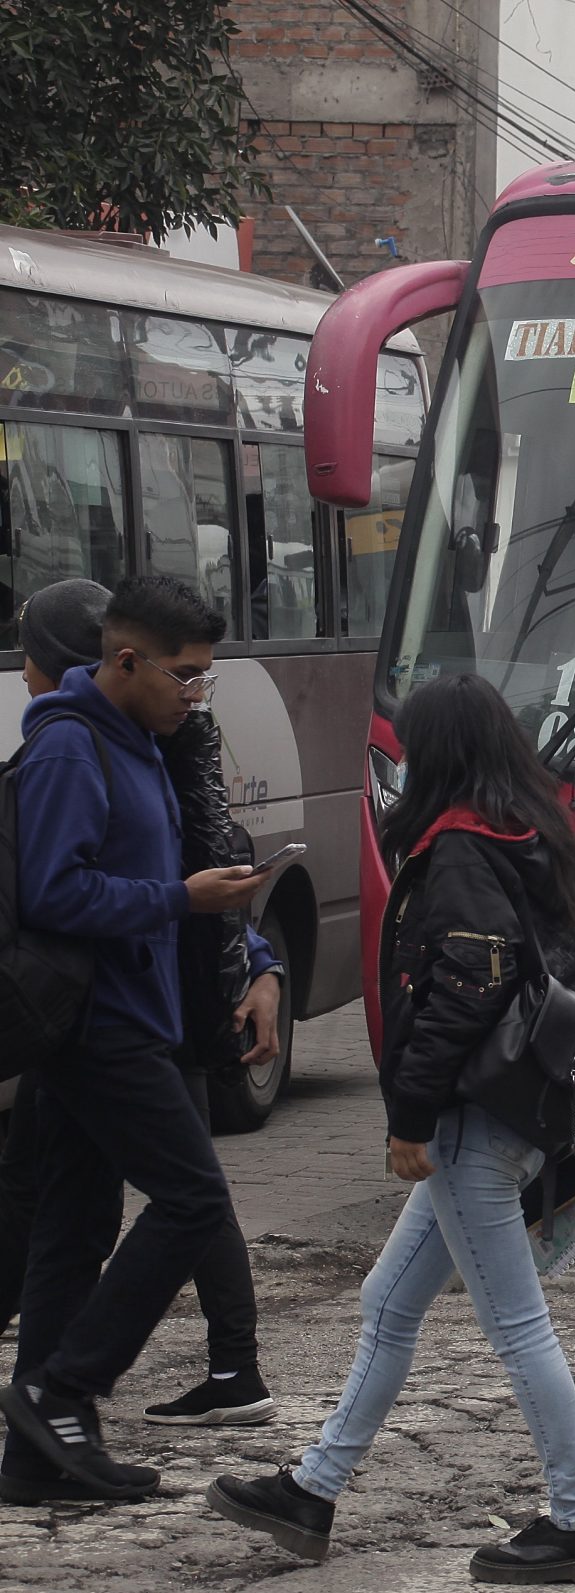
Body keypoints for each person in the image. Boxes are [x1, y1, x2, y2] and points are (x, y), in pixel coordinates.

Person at [205, 671, 575, 1582]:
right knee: (388, 1301)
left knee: (515, 1324)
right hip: (508, 1110)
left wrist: (410, 1117)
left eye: (414, 747)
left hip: (471, 1118)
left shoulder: (460, 849)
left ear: (443, 754)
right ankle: (313, 1488)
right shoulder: (528, 834)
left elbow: (461, 992)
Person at [0, 577, 270, 1499]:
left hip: (132, 1013)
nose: (195, 695)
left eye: (204, 678)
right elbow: (54, 892)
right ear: (125, 660)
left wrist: (243, 938)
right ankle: (63, 1385)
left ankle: (37, 1460)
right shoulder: (71, 748)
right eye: (186, 676)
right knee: (193, 1198)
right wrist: (180, 899)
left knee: (75, 1229)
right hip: (96, 1022)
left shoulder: (142, 740)